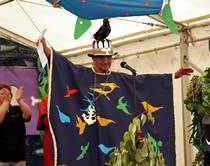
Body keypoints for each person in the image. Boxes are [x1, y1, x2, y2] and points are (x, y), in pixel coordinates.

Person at [38, 37, 194, 166]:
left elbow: (144, 83)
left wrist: (173, 76)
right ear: (93, 59)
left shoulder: (121, 79)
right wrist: (47, 50)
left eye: (108, 57)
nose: (106, 61)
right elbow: (65, 68)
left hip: (117, 141)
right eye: (101, 57)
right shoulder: (83, 76)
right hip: (92, 141)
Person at [0, 83, 32, 166]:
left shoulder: (16, 109)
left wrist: (19, 100)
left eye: (8, 93)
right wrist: (6, 102)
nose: (6, 95)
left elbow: (27, 115)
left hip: (18, 158)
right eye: (2, 93)